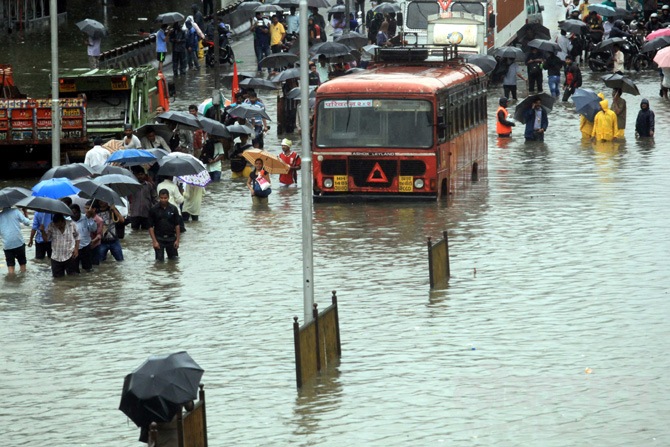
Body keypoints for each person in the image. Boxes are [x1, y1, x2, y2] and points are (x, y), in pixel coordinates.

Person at [42, 213, 79, 278]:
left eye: (59, 225)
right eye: (56, 225)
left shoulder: (72, 224)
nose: (58, 227)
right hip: (56, 257)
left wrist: (76, 249)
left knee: (73, 278)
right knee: (57, 280)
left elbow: (77, 237)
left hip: (70, 255)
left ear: (63, 221)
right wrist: (42, 231)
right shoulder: (51, 226)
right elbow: (46, 239)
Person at [148, 189, 181, 261]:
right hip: (159, 239)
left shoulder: (173, 209)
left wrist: (177, 240)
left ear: (168, 197)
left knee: (174, 261)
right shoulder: (153, 210)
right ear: (159, 198)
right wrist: (154, 241)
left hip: (171, 238)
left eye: (165, 198)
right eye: (161, 198)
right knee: (159, 262)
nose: (163, 200)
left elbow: (177, 225)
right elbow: (150, 227)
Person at [0, 206, 31, 274]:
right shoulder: (15, 211)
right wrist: (25, 212)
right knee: (22, 264)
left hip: (7, 245)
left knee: (10, 266)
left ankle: (11, 281)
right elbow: (27, 223)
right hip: (19, 242)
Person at [128, 166, 157, 230]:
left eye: (141, 174)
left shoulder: (149, 185)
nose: (140, 176)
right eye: (138, 175)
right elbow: (128, 197)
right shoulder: (132, 186)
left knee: (146, 232)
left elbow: (154, 198)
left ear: (144, 175)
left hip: (146, 213)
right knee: (134, 233)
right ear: (135, 175)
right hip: (135, 213)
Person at [70, 204, 97, 273]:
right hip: (73, 248)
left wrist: (90, 218)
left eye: (75, 213)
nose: (73, 215)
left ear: (79, 212)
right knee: (74, 271)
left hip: (85, 247)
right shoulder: (67, 221)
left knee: (88, 269)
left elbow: (93, 229)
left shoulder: (86, 218)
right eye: (71, 213)